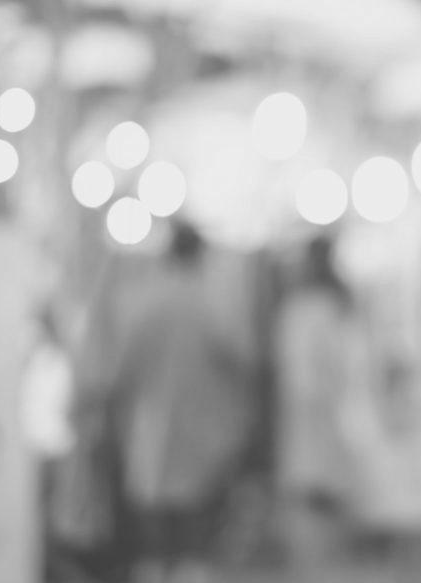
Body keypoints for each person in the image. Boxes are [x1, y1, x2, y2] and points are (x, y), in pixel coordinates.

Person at [100, 220, 254, 583]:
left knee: (154, 532)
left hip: (150, 430)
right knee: (192, 534)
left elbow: (120, 371)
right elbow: (241, 362)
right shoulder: (213, 303)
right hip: (200, 433)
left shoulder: (145, 300)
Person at [275, 231, 361, 580]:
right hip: (316, 406)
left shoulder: (310, 304)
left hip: (323, 405)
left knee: (321, 486)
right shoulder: (316, 303)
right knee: (318, 486)